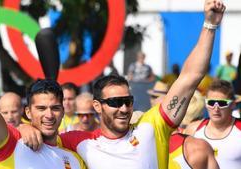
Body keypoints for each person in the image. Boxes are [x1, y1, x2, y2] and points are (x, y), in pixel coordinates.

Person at [20, 0, 225, 168]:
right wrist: (24, 128)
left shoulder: (151, 128)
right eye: (116, 102)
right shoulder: (78, 141)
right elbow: (38, 132)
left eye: (128, 101)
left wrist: (210, 24)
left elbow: (191, 76)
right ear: (97, 106)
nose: (124, 108)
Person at [0, 40, 86, 168]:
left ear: (62, 112)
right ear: (28, 112)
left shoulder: (75, 159)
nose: (49, 115)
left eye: (55, 108)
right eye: (41, 108)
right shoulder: (11, 143)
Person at [186, 79, 241, 168]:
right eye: (211, 103)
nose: (216, 109)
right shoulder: (192, 130)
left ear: (233, 105)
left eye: (222, 103)